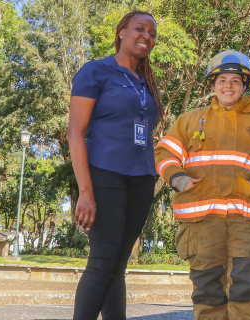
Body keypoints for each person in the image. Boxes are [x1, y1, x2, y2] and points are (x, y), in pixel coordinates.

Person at [154, 50, 250, 320]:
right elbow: (165, 153)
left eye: (235, 81)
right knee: (208, 294)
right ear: (212, 85)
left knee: (249, 290)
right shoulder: (189, 121)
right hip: (202, 224)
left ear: (245, 85)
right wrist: (178, 178)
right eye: (222, 80)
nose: (228, 86)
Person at [67, 10, 164, 320]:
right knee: (103, 261)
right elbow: (75, 132)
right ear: (122, 31)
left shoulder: (147, 82)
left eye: (152, 34)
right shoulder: (96, 71)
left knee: (117, 266)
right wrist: (85, 191)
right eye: (139, 29)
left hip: (142, 179)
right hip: (104, 173)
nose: (146, 36)